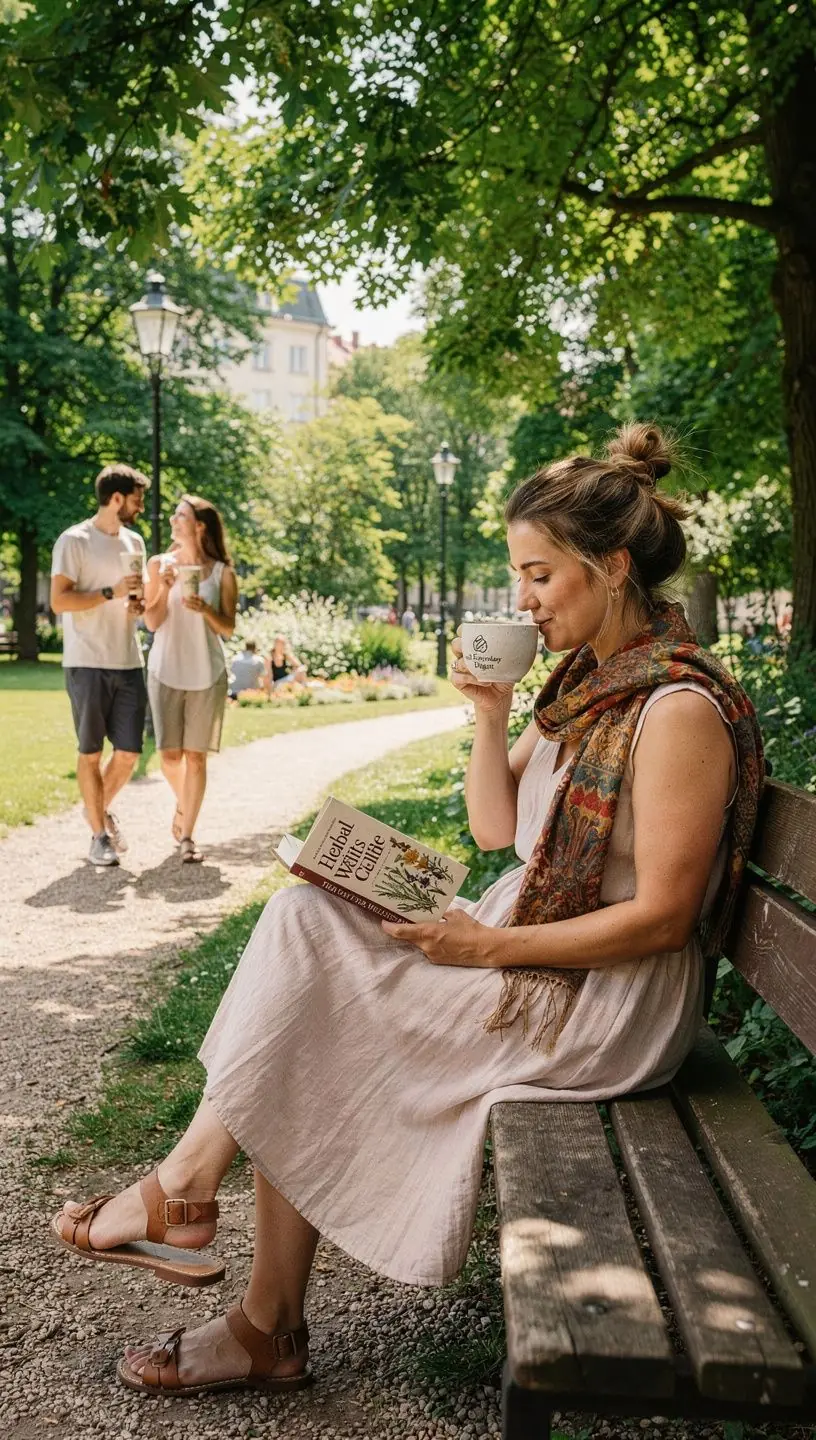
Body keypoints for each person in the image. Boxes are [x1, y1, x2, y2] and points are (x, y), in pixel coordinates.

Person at [52, 423, 764, 1399]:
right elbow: (492, 829)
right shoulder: (587, 690)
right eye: (519, 575)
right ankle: (205, 1224)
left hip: (602, 1001)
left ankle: (230, 1268)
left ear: (614, 567)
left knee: (312, 999)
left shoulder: (674, 708)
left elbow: (664, 920)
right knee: (305, 925)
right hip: (534, 952)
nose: (522, 599)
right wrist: (487, 713)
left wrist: (486, 946)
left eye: (540, 576)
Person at [50, 464, 149, 867]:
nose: (141, 508)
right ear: (117, 498)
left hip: (128, 658)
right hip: (87, 660)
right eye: (137, 500)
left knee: (128, 753)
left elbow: (134, 599)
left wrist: (137, 604)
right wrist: (110, 591)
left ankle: (95, 809)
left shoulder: (135, 542)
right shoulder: (74, 540)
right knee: (90, 752)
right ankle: (98, 834)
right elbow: (60, 601)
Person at [143, 496, 237, 863]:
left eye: (180, 515)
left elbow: (228, 628)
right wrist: (164, 588)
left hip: (207, 672)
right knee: (169, 757)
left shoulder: (221, 573)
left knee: (196, 759)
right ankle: (185, 804)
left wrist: (206, 609)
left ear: (199, 525)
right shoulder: (159, 565)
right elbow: (151, 622)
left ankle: (187, 836)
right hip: (165, 669)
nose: (172, 519)